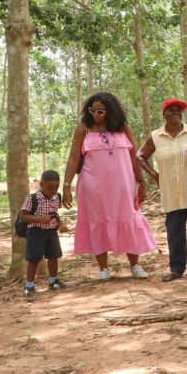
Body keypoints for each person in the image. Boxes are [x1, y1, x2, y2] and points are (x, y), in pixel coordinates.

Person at [63, 92, 156, 279]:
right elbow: (73, 158)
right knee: (96, 220)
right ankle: (103, 269)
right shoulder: (84, 128)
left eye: (101, 111)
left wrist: (142, 181)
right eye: (92, 110)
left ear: (111, 111)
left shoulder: (123, 127)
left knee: (127, 216)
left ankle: (135, 265)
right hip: (93, 183)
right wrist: (66, 185)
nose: (96, 114)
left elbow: (134, 156)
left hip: (123, 183)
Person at [137, 99, 187, 282]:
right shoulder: (156, 136)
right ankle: (177, 269)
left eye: (179, 111)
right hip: (171, 192)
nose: (176, 113)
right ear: (164, 115)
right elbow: (140, 156)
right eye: (171, 111)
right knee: (175, 232)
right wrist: (154, 175)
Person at [20, 170, 67, 297]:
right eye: (50, 188)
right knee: (34, 258)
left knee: (53, 256)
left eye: (56, 188)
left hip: (51, 232)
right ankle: (29, 286)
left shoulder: (57, 197)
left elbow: (55, 213)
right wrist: (40, 219)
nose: (53, 191)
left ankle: (53, 281)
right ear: (41, 185)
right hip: (36, 232)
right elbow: (23, 216)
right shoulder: (33, 198)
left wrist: (60, 224)